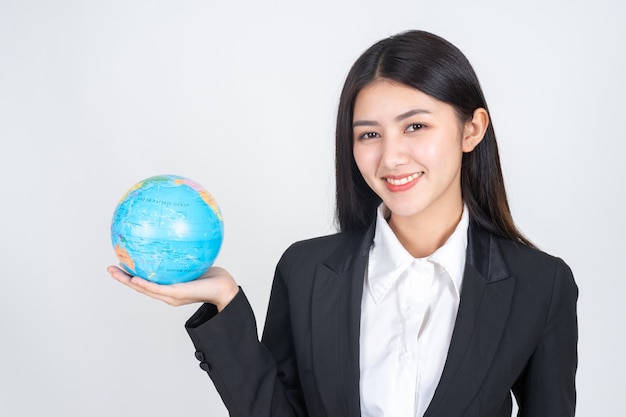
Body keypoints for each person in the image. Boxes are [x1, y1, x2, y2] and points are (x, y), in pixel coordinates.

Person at [108, 30, 578, 416]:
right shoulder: (305, 270)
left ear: (471, 130)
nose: (391, 157)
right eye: (369, 134)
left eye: (415, 126)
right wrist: (224, 301)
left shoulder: (541, 284)